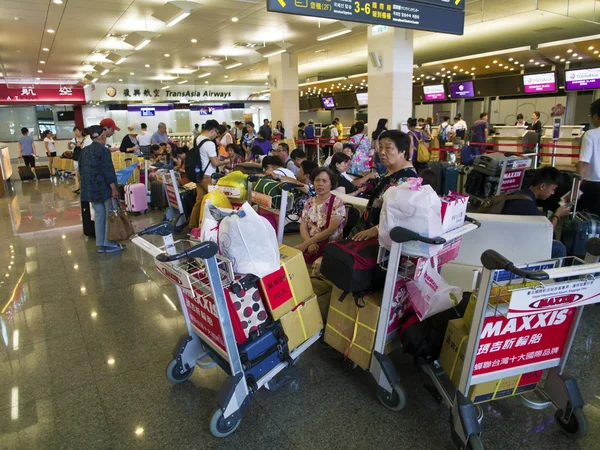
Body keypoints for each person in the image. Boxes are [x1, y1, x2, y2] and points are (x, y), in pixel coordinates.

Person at [351, 130, 417, 240]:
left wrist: (374, 230)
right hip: (365, 230)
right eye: (380, 147)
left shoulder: (408, 178)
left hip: (382, 239)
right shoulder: (390, 171)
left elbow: (402, 215)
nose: (382, 152)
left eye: (388, 148)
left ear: (402, 151)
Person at [502, 167, 571, 258]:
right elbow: (546, 236)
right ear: (542, 186)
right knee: (559, 248)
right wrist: (557, 215)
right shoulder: (528, 206)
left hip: (506, 242)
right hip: (514, 248)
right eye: (553, 189)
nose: (553, 193)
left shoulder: (516, 194)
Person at [79, 125, 124, 253]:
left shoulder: (84, 150)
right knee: (110, 215)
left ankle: (101, 244)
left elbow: (81, 170)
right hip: (105, 188)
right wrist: (114, 188)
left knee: (99, 215)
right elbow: (107, 170)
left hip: (91, 189)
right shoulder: (103, 150)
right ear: (103, 136)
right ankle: (109, 243)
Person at [296, 167, 346, 263]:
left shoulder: (337, 202)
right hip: (310, 244)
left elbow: (331, 230)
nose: (320, 184)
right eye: (317, 180)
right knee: (291, 257)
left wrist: (307, 243)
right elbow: (303, 226)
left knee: (315, 266)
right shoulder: (309, 202)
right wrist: (309, 243)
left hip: (330, 247)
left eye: (324, 181)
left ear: (331, 184)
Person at [189, 120, 229, 228]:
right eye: (217, 133)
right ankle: (217, 226)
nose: (217, 136)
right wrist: (225, 161)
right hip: (208, 176)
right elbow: (215, 163)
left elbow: (204, 157)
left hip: (199, 175)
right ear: (212, 131)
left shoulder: (198, 139)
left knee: (199, 201)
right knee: (218, 200)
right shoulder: (209, 143)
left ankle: (192, 226)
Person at [577, 99, 600, 216]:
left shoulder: (591, 134)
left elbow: (584, 163)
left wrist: (576, 188)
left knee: (588, 222)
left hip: (594, 187)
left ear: (596, 117)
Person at [70, 126, 92, 193]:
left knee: (84, 173)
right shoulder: (73, 139)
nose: (76, 133)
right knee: (76, 173)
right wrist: (69, 144)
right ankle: (77, 187)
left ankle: (84, 187)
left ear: (81, 131)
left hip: (84, 158)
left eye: (77, 131)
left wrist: (80, 145)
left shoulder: (85, 139)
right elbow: (70, 148)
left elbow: (85, 148)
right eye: (74, 131)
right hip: (76, 158)